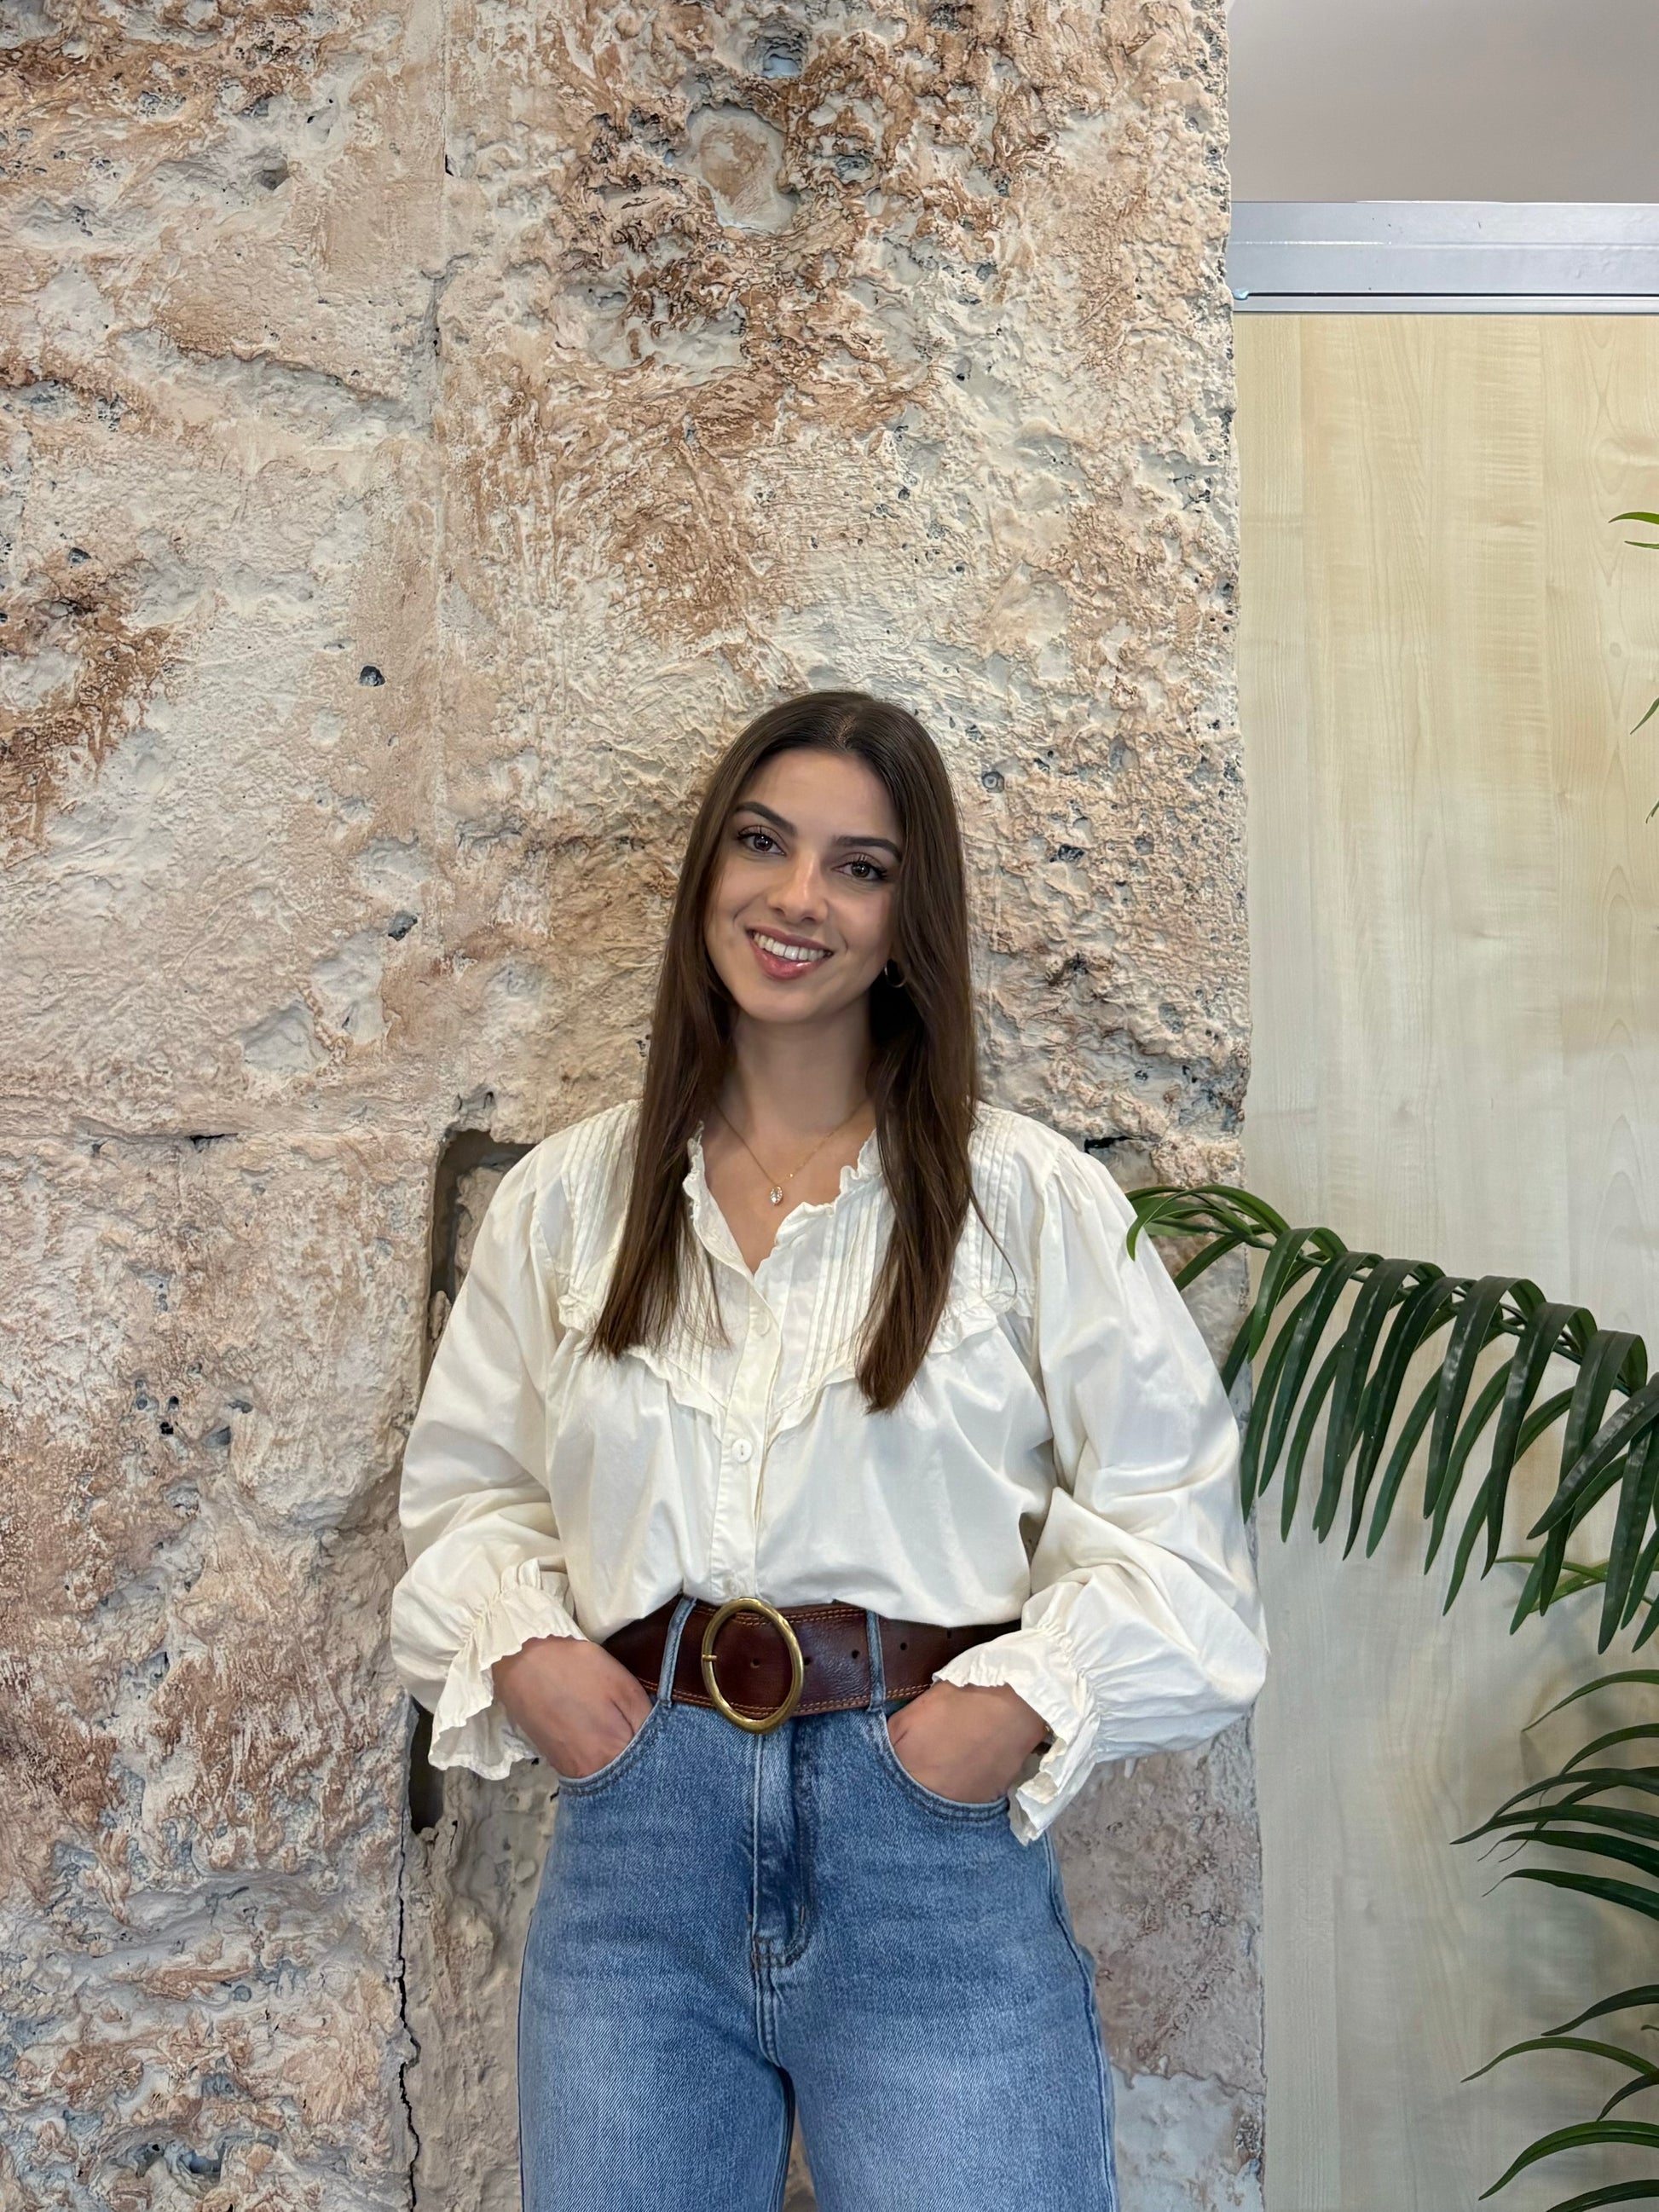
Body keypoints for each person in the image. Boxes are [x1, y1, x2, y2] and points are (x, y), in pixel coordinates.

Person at [389, 689, 1269, 2212]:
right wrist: (534, 1667)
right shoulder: (571, 1201)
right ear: (707, 872)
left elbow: (1179, 1544)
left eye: (859, 868)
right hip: (637, 1858)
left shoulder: (1023, 1201)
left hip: (922, 1848)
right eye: (762, 844)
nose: (797, 898)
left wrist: (995, 1714)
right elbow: (470, 1496)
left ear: (907, 919)